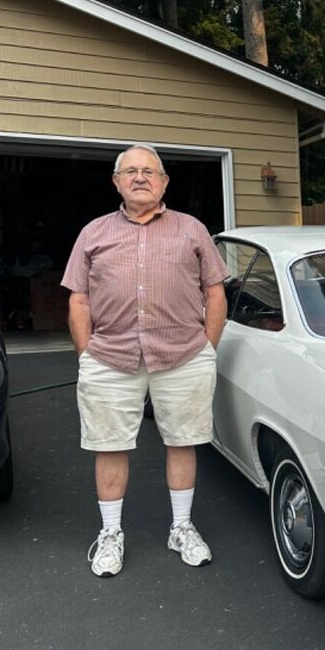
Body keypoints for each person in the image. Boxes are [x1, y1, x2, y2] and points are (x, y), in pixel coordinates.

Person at [62, 145, 228, 577]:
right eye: (130, 171)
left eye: (149, 171)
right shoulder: (93, 233)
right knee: (110, 445)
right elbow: (78, 298)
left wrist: (207, 348)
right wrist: (86, 356)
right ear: (116, 181)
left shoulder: (192, 230)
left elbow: (215, 294)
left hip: (184, 355)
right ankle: (112, 533)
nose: (140, 178)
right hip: (110, 357)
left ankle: (180, 527)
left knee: (182, 440)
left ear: (164, 182)